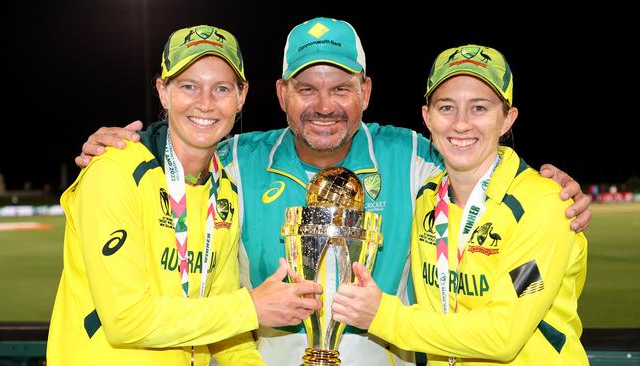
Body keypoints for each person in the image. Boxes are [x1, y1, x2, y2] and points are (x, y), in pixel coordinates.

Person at [74, 18, 591, 366]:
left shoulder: (413, 156)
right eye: (306, 88)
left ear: (365, 92)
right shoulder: (236, 159)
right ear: (279, 94)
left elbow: (477, 154)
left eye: (341, 87)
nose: (325, 105)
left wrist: (552, 187)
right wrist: (130, 143)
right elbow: (184, 146)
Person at [47, 24, 322, 366]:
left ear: (242, 97)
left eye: (221, 88)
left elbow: (228, 335)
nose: (205, 104)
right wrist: (251, 306)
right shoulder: (114, 172)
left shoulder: (225, 193)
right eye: (189, 86)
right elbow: (125, 320)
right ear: (163, 92)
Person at [331, 44, 588, 365]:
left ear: (508, 118)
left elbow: (503, 335)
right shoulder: (426, 199)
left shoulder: (546, 205)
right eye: (447, 108)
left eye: (479, 108)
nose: (461, 123)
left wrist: (384, 316)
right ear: (427, 117)